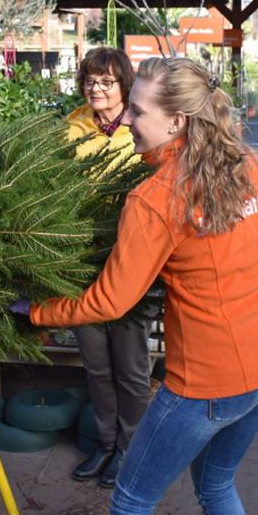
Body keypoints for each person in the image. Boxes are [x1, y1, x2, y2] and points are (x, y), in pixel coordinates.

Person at [31, 56, 258, 515]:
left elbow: (109, 303)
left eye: (137, 112)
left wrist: (39, 311)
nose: (127, 120)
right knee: (217, 485)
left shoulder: (155, 197)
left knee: (134, 500)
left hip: (207, 383)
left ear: (176, 120)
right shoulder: (252, 168)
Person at [65, 47, 150, 488]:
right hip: (82, 263)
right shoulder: (71, 130)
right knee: (96, 364)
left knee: (131, 366)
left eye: (106, 82)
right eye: (89, 81)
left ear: (124, 86)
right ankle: (105, 442)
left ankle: (130, 450)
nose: (95, 89)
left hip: (131, 261)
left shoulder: (140, 128)